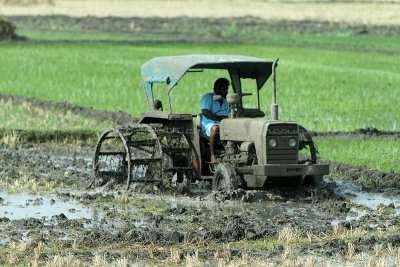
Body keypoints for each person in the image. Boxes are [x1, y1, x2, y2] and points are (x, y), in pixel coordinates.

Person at [200, 78, 230, 163]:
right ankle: (212, 155)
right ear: (217, 88)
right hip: (209, 124)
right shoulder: (207, 97)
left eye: (227, 89)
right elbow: (205, 112)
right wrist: (219, 119)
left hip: (225, 124)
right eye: (224, 89)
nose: (226, 91)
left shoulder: (227, 101)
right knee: (215, 128)